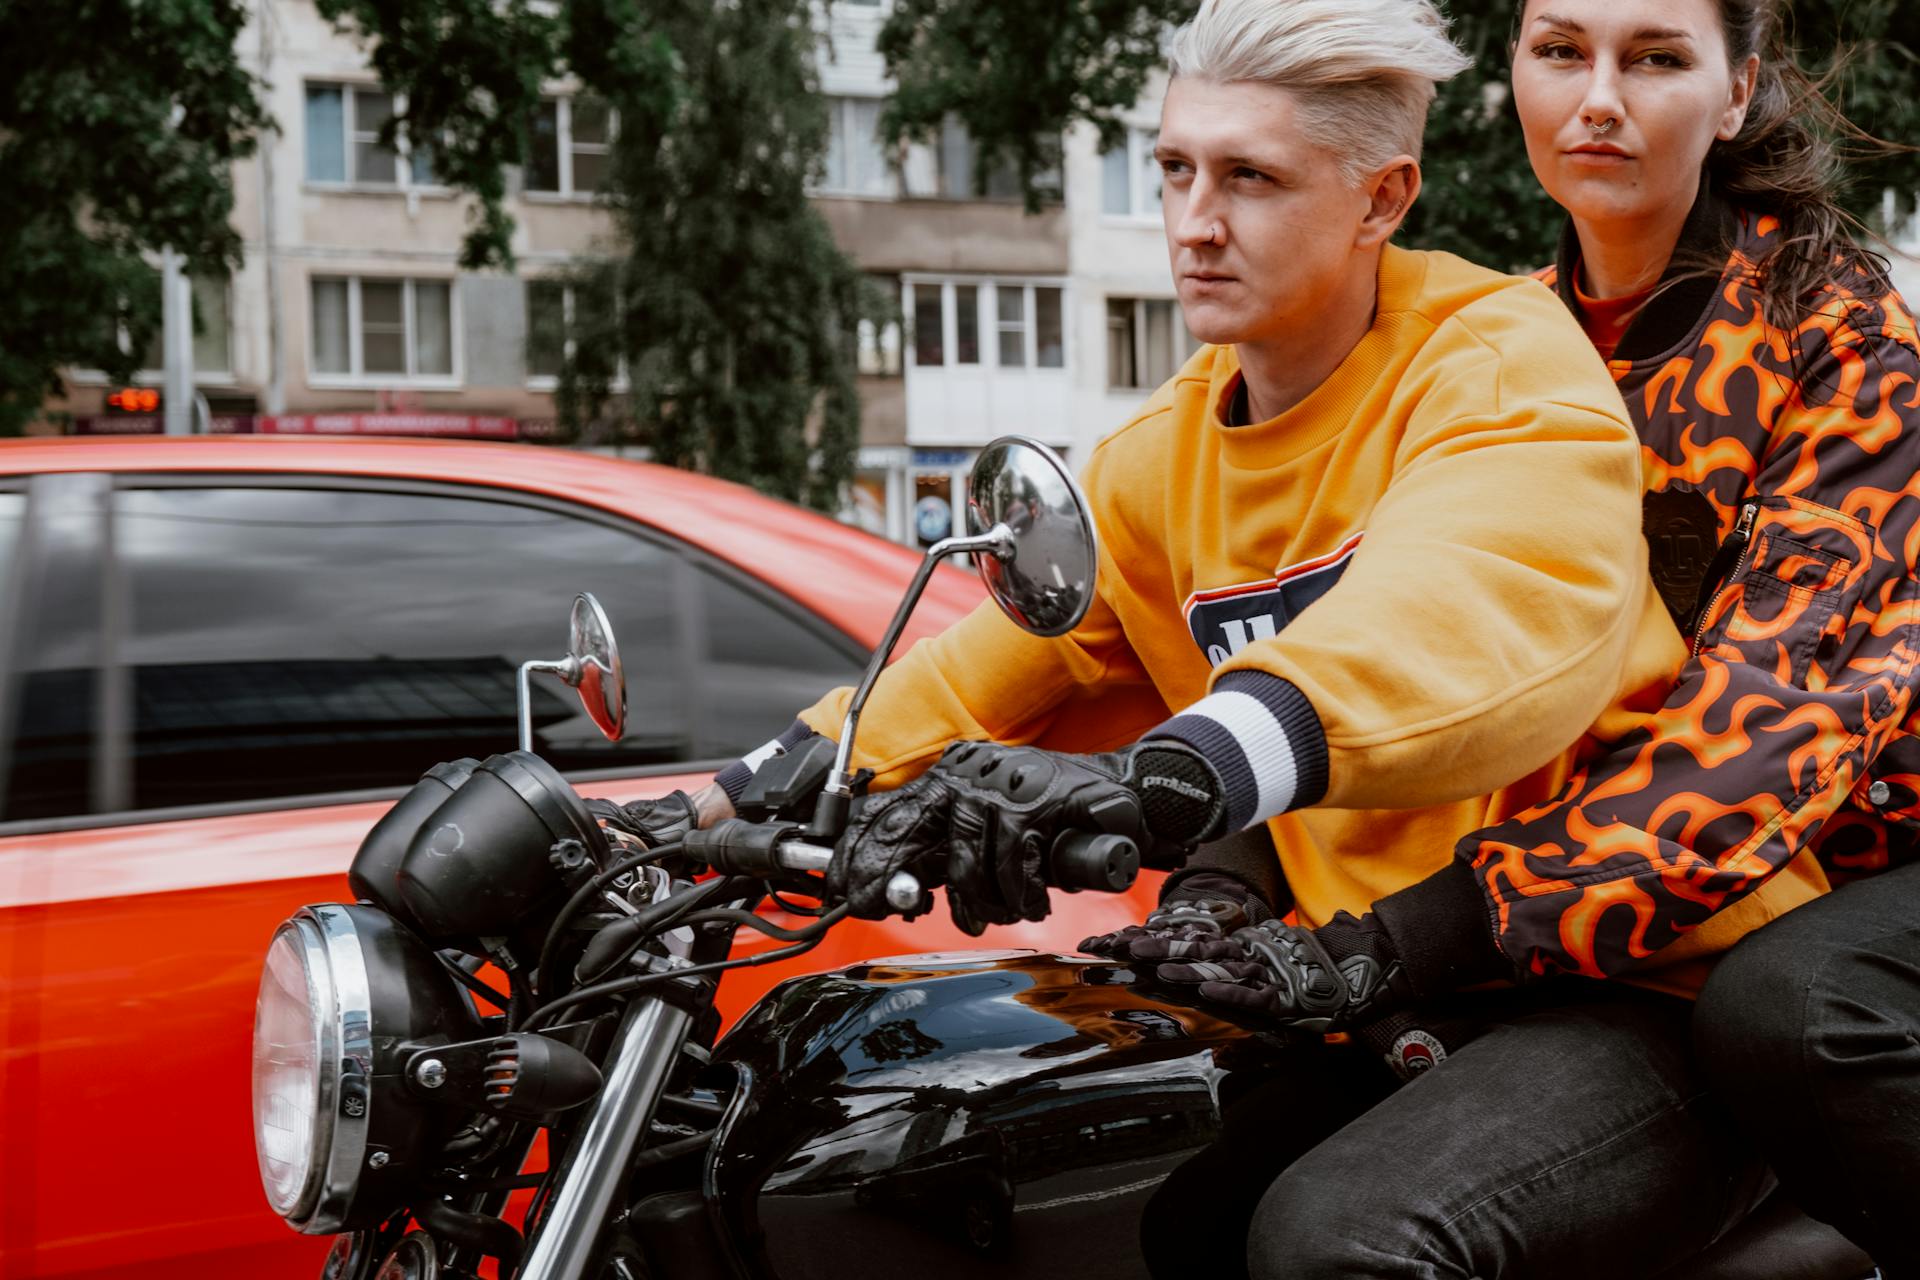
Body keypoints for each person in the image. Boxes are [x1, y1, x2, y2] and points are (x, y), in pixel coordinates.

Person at [612, 2, 1851, 1274]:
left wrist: (1155, 781)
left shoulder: (1496, 367)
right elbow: (983, 672)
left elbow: (1457, 618)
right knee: (997, 1149)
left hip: (1626, 979)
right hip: (1350, 980)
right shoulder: (1166, 454)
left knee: (1343, 1241)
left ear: (1384, 198)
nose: (1197, 222)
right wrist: (697, 812)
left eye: (1251, 178)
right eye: (1176, 169)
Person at [1089, 0, 1920, 1273]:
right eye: (1558, 51)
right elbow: (1370, 649)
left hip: (1812, 888)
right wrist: (1229, 879)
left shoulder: (1850, 351)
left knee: (1796, 1009)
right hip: (1564, 917)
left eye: (1654, 58)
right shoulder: (1494, 339)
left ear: (1738, 89)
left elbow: (1752, 754)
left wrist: (1381, 946)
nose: (1599, 98)